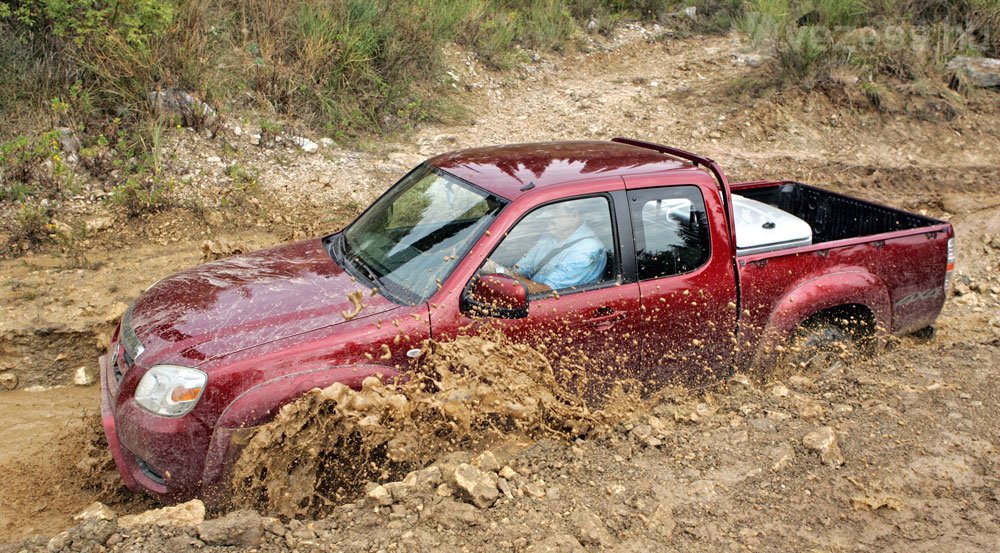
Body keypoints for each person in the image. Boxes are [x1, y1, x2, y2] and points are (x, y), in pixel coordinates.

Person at [483, 201, 607, 294]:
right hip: (531, 292)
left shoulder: (586, 252)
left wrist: (498, 270)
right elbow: (521, 269)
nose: (547, 217)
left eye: (553, 213)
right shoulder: (551, 234)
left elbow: (547, 292)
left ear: (574, 216)